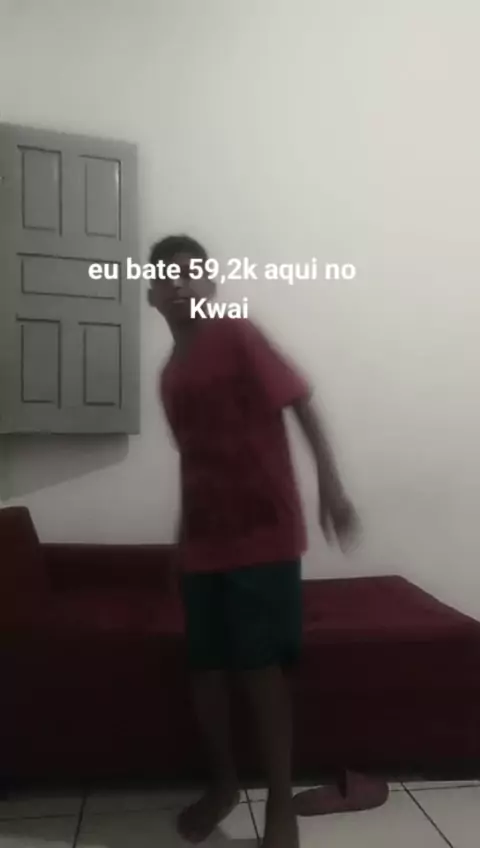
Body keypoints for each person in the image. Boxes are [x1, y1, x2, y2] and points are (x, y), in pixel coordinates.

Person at [148, 234, 359, 848]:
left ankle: (279, 807)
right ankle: (224, 785)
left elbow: (301, 403)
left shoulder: (237, 333)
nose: (181, 283)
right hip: (204, 545)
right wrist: (180, 542)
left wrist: (332, 486)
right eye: (168, 277)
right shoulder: (169, 375)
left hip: (264, 535)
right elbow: (193, 463)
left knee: (263, 672)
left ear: (210, 284)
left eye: (192, 273)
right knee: (206, 671)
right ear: (151, 295)